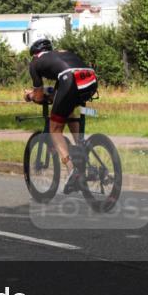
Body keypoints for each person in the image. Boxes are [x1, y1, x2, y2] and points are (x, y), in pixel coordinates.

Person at [23, 38, 98, 193]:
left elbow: (38, 97)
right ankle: (83, 155)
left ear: (34, 54)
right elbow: (59, 91)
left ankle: (72, 171)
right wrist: (51, 96)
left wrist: (30, 96)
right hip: (90, 78)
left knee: (54, 129)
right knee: (68, 109)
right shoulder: (60, 56)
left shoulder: (35, 63)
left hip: (70, 79)